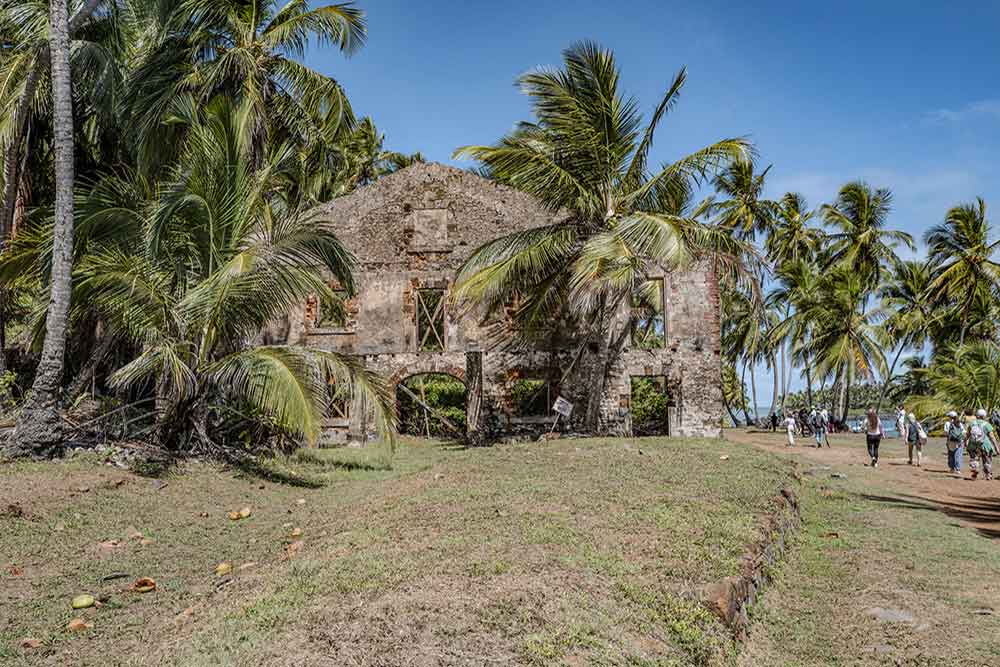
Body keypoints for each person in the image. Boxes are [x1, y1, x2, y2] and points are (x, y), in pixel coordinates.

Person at [964, 408, 997, 481]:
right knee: (986, 460)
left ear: (977, 416)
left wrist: (965, 442)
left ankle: (975, 470)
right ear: (984, 416)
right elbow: (992, 437)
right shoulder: (987, 424)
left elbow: (967, 435)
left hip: (973, 444)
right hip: (985, 445)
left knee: (974, 458)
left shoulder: (972, 424)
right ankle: (988, 475)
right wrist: (996, 447)